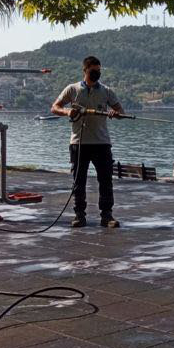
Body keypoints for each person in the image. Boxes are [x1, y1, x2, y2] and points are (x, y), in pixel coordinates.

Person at [50, 56, 126, 228]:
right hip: (79, 143)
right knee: (79, 181)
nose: (97, 73)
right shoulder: (72, 89)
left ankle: (107, 216)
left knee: (106, 181)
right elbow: (54, 107)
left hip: (102, 143)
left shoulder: (106, 91)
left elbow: (121, 111)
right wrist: (67, 112)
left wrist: (116, 114)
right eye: (93, 71)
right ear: (85, 70)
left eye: (99, 71)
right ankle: (79, 215)